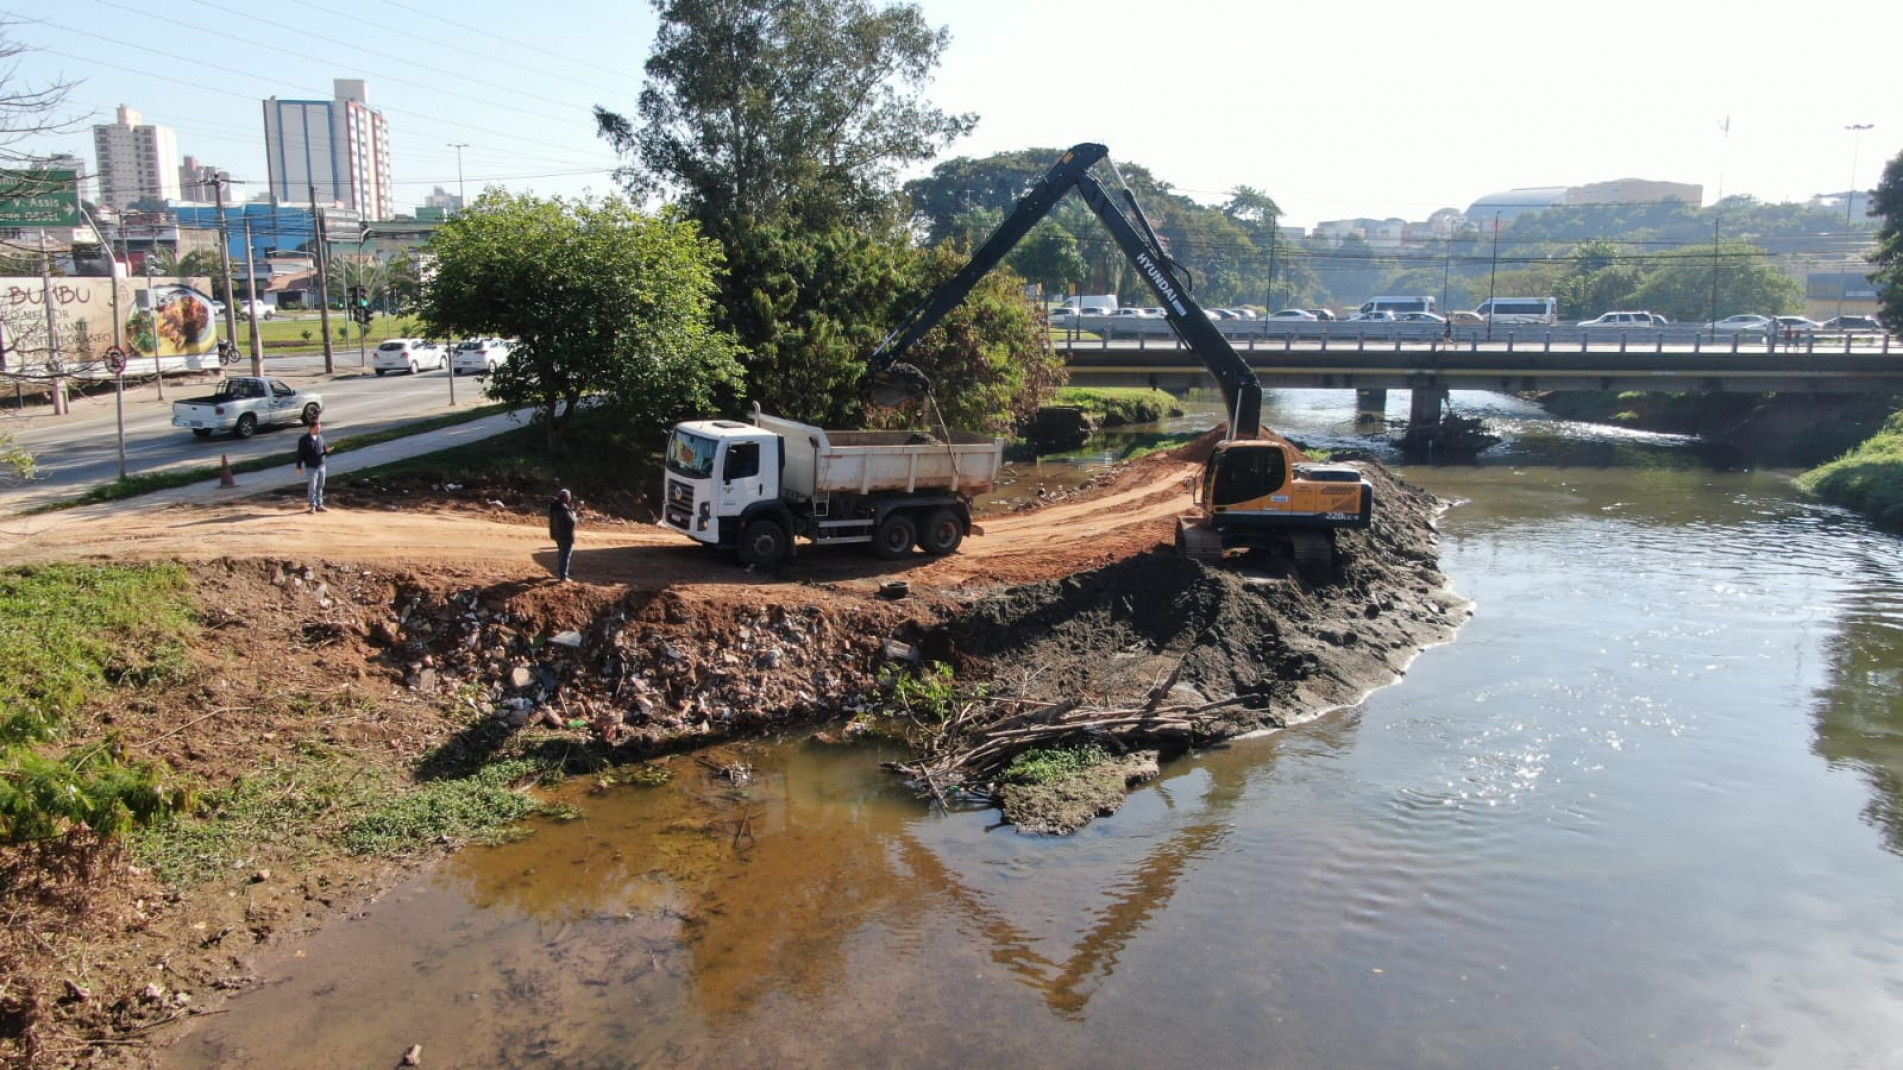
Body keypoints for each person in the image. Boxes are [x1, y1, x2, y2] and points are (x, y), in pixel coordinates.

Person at [295, 419, 332, 513]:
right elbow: (300, 454)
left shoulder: (321, 438)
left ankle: (319, 504)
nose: (319, 430)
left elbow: (324, 450)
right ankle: (312, 505)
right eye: (317, 428)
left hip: (321, 466)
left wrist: (327, 451)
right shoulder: (304, 440)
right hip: (311, 467)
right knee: (312, 487)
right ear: (311, 428)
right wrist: (299, 467)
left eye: (319, 428)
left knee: (320, 486)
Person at [548, 488, 577, 582]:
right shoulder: (564, 508)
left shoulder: (553, 506)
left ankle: (561, 573)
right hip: (566, 536)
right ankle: (563, 576)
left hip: (557, 534)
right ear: (566, 498)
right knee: (565, 556)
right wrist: (574, 517)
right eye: (569, 497)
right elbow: (571, 522)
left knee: (561, 554)